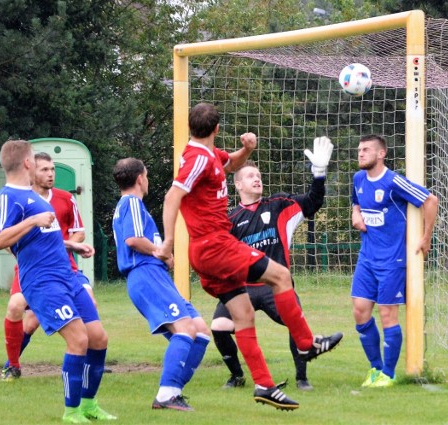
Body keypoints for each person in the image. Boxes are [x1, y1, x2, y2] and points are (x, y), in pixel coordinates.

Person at [156, 103, 343, 411]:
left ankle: (265, 386)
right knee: (281, 276)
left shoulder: (208, 155)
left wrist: (246, 149)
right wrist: (168, 244)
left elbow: (229, 163)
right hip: (215, 245)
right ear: (217, 129)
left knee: (243, 316)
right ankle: (308, 345)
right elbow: (173, 195)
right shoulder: (196, 158)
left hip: (206, 251)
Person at [0, 140, 115, 423]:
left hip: (67, 275)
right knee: (79, 339)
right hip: (43, 282)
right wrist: (33, 221)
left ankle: (89, 405)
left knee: (98, 338)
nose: (42, 166)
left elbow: (43, 240)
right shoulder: (9, 196)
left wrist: (72, 246)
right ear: (27, 163)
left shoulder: (37, 198)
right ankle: (71, 412)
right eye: (36, 160)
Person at [212, 138, 331, 392]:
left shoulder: (279, 205)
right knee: (219, 326)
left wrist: (319, 175)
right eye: (250, 175)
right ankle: (237, 376)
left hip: (274, 285)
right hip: (242, 287)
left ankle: (302, 378)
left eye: (259, 175)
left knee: (294, 321)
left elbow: (312, 202)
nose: (257, 178)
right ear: (238, 184)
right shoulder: (230, 219)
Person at [112, 157, 210, 412]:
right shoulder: (132, 203)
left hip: (152, 276)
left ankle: (173, 391)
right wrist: (162, 251)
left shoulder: (131, 206)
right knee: (185, 328)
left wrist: (161, 256)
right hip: (145, 275)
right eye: (146, 175)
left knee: (199, 330)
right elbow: (133, 240)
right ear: (140, 178)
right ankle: (167, 395)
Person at [1, 152, 100, 381]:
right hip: (32, 269)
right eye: (44, 169)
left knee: (89, 300)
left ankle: (91, 360)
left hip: (66, 267)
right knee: (17, 308)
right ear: (31, 171)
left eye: (52, 169)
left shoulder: (66, 198)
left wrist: (61, 248)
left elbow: (79, 232)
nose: (50, 174)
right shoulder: (22, 201)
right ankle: (12, 365)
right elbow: (5, 240)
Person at [351, 134, 439, 388]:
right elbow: (356, 203)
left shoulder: (394, 182)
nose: (360, 153)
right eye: (359, 150)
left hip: (392, 260)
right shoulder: (358, 179)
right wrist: (356, 215)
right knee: (359, 311)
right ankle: (375, 370)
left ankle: (388, 374)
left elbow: (430, 200)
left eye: (366, 149)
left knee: (387, 313)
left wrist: (426, 236)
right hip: (367, 259)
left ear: (381, 154)